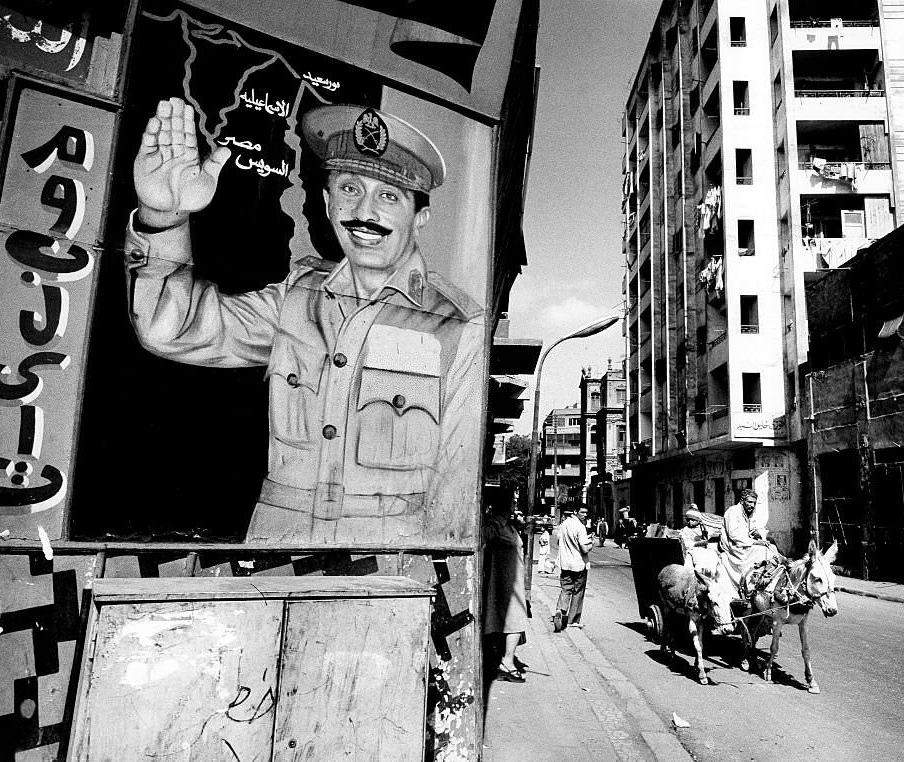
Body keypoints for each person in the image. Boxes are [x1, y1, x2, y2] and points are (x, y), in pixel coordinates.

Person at [124, 98, 482, 546]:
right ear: (329, 201)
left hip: (386, 575)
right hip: (275, 558)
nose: (365, 212)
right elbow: (168, 330)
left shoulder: (457, 324)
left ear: (421, 216)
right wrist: (163, 218)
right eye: (350, 189)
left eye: (388, 196)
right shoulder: (297, 295)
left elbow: (455, 487)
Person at [483, 496, 529, 682]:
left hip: (512, 580)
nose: (514, 504)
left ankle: (505, 660)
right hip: (502, 582)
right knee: (514, 621)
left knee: (513, 621)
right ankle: (507, 662)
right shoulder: (496, 524)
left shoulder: (508, 524)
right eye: (512, 501)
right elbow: (483, 537)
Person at [718, 488, 776, 590]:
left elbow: (753, 528)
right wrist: (756, 542)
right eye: (749, 502)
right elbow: (733, 535)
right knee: (764, 551)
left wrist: (758, 535)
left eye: (754, 503)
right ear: (741, 501)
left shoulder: (749, 513)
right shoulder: (732, 512)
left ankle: (763, 578)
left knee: (772, 547)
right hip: (735, 548)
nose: (752, 505)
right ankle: (752, 583)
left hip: (745, 544)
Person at [552, 505, 593, 632]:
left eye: (586, 513)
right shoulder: (580, 527)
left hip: (565, 564)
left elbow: (559, 541)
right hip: (578, 564)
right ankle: (572, 620)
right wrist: (591, 542)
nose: (585, 515)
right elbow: (584, 549)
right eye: (582, 512)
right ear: (576, 512)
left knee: (565, 589)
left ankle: (560, 610)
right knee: (577, 592)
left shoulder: (564, 524)